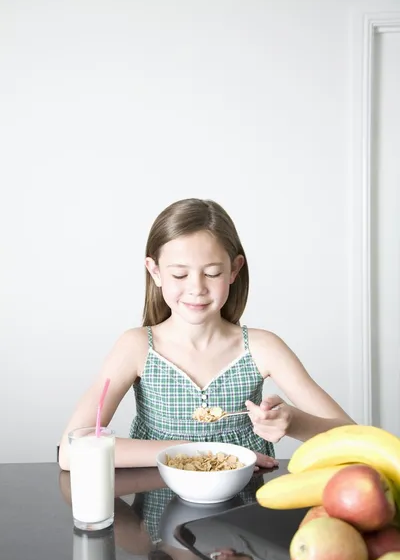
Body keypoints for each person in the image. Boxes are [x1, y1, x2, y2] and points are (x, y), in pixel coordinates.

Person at [58, 198, 353, 471]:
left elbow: (352, 438)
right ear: (155, 271)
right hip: (157, 512)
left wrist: (294, 422)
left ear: (234, 270)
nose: (197, 288)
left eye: (212, 273)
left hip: (242, 512)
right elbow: (71, 452)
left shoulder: (263, 348)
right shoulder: (136, 347)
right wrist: (197, 451)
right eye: (179, 274)